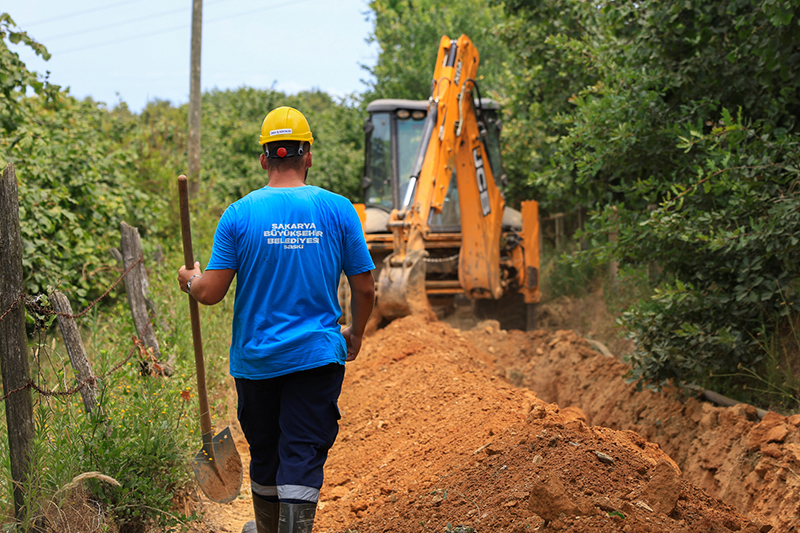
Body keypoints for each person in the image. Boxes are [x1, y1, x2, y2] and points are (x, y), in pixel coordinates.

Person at [177, 106, 375, 533]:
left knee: (266, 451)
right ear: (308, 156)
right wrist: (355, 333)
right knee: (301, 451)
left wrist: (189, 279)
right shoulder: (339, 210)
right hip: (317, 356)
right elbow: (364, 288)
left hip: (257, 361)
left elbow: (209, 293)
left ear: (265, 158)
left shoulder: (238, 215)